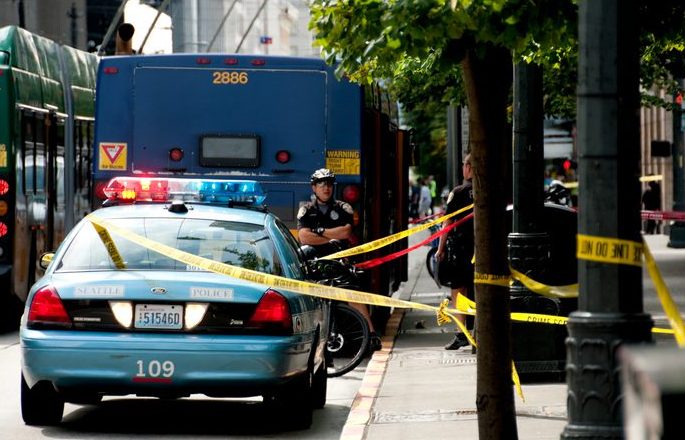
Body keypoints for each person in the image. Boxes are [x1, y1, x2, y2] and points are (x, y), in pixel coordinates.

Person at [297, 168, 382, 352]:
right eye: (321, 184)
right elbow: (304, 237)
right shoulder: (306, 209)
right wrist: (330, 236)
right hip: (315, 261)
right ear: (314, 188)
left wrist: (318, 232)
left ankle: (372, 334)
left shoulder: (344, 208)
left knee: (353, 292)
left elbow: (345, 232)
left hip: (339, 260)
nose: (326, 188)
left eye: (328, 184)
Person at [435, 154, 474, 350]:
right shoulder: (490, 190)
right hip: (484, 248)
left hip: (461, 249)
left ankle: (461, 333)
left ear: (468, 168)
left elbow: (447, 223)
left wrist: (440, 249)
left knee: (458, 290)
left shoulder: (458, 192)